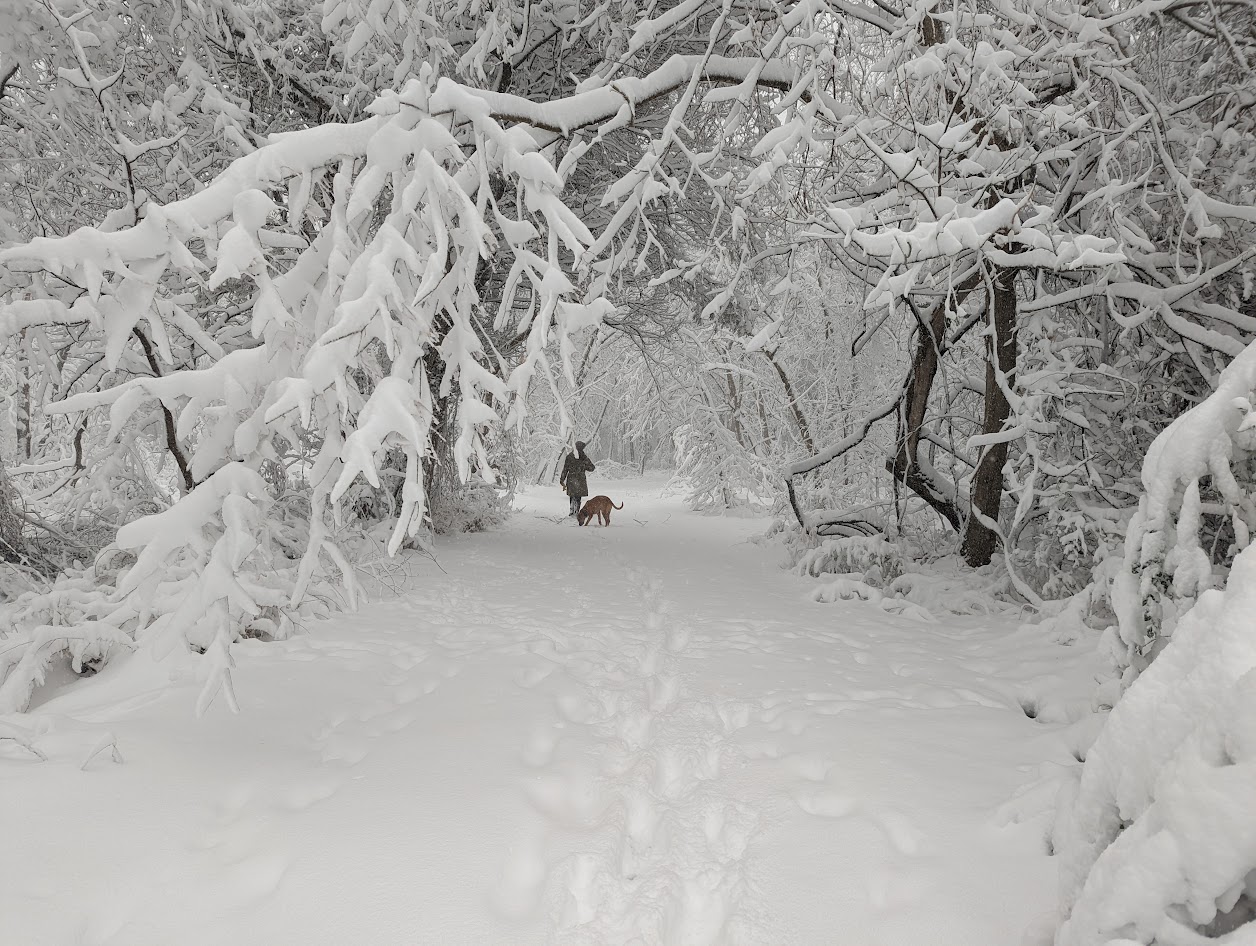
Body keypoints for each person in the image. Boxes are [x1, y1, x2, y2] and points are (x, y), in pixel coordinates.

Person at [558, 440, 596, 519]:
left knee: (572, 496)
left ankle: (571, 511)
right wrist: (584, 466)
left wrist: (562, 480)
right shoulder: (584, 457)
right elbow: (592, 468)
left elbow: (565, 469)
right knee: (578, 496)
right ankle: (577, 512)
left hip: (571, 479)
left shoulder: (569, 456)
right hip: (580, 479)